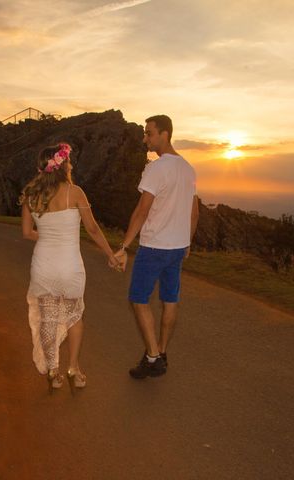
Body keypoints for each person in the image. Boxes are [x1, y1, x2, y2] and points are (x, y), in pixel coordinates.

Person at [21, 143, 122, 393]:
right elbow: (93, 229)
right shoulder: (75, 192)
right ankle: (74, 369)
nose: (72, 165)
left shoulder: (31, 195)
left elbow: (26, 233)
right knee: (74, 317)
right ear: (63, 166)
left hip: (43, 264)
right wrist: (111, 255)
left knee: (48, 318)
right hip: (69, 265)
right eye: (69, 162)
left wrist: (47, 237)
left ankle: (54, 372)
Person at [114, 115, 199, 379]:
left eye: (149, 133)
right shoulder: (188, 169)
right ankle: (159, 353)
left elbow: (141, 211)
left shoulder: (156, 168)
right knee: (170, 300)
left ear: (164, 134)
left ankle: (153, 356)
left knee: (138, 299)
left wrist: (124, 246)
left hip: (154, 247)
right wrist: (188, 241)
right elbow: (194, 211)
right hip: (176, 247)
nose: (145, 138)